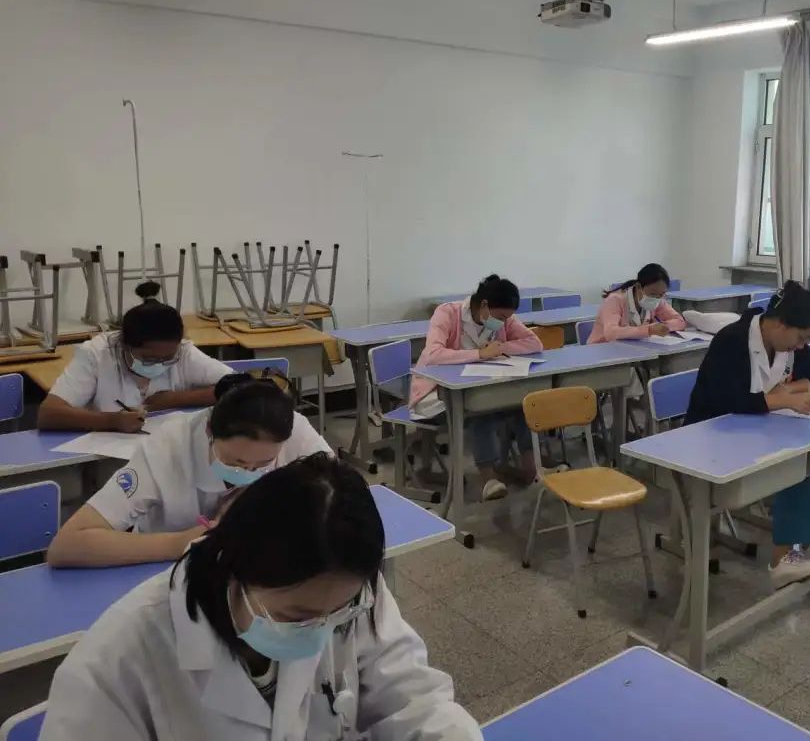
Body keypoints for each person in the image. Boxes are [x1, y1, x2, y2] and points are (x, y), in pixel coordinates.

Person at [40, 453, 482, 741]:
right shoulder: (116, 662)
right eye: (297, 615)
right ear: (234, 568)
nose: (323, 630)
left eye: (339, 615)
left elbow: (413, 698)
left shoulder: (347, 592)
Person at [46, 373, 332, 568]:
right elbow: (66, 546)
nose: (248, 472)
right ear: (209, 431)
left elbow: (341, 504)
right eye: (235, 462)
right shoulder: (168, 448)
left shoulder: (295, 431)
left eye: (263, 464)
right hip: (167, 574)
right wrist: (186, 542)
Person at [685, 281, 810, 589]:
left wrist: (790, 389)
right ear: (781, 324)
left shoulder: (786, 343)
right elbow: (727, 401)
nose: (803, 346)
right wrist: (783, 399)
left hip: (753, 430)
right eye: (802, 338)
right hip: (711, 436)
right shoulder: (732, 340)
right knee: (796, 460)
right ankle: (782, 559)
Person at [410, 274, 543, 502]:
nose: (503, 323)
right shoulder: (447, 313)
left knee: (523, 404)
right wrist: (480, 354)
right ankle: (489, 479)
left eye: (507, 318)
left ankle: (532, 470)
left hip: (478, 388)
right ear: (484, 305)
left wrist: (501, 347)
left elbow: (534, 343)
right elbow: (432, 355)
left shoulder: (502, 317)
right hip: (435, 394)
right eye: (501, 317)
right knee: (481, 410)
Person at [38, 281, 231, 433]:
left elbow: (239, 386)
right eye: (149, 359)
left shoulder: (184, 352)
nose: (160, 364)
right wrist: (111, 421)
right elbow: (48, 414)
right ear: (123, 344)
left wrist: (174, 399)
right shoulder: (97, 353)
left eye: (168, 358)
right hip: (109, 457)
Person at [588, 263, 686, 343]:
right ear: (639, 287)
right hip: (603, 350)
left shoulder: (658, 299)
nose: (657, 298)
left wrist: (664, 327)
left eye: (661, 294)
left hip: (632, 349)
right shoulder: (615, 300)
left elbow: (680, 321)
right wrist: (649, 330)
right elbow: (611, 333)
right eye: (652, 294)